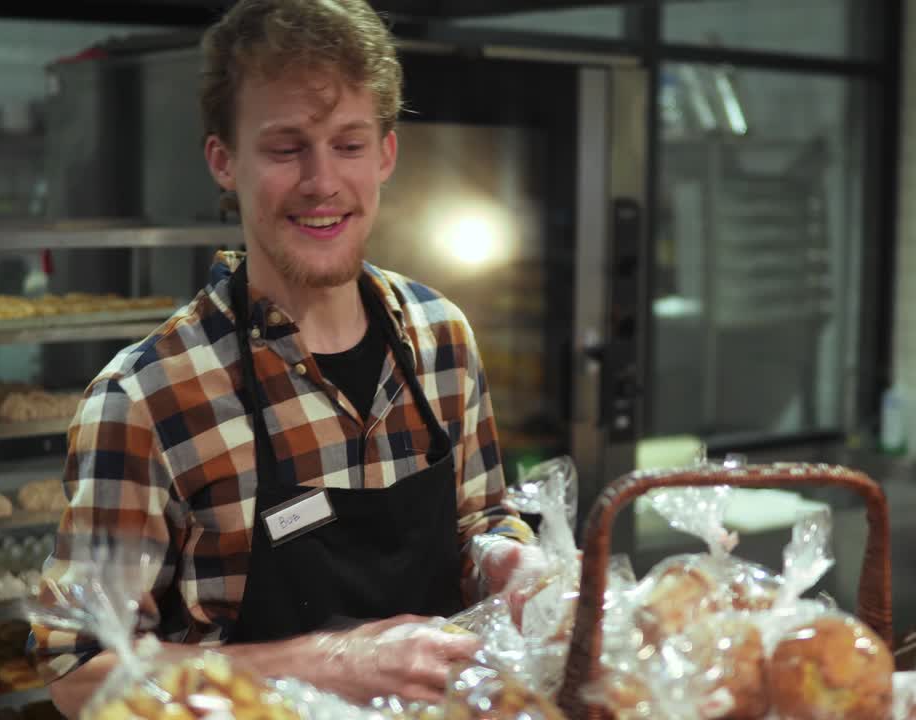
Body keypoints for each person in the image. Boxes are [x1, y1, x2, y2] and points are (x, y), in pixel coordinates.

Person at [29, 0, 549, 715]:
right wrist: (324, 663)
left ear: (386, 154)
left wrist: (506, 559)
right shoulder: (148, 399)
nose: (322, 181)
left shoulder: (441, 337)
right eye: (285, 147)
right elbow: (80, 674)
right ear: (223, 160)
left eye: (349, 144)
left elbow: (479, 520)